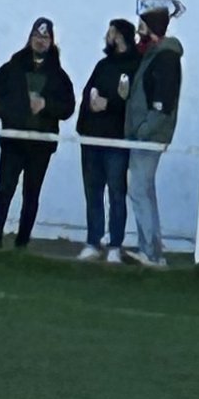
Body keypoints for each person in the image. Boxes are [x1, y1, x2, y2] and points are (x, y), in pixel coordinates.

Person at [0, 18, 72, 247]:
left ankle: (22, 242)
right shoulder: (11, 68)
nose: (40, 41)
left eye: (45, 38)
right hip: (13, 142)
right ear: (30, 38)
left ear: (51, 41)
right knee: (5, 190)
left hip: (40, 145)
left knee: (31, 195)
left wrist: (46, 105)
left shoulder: (59, 76)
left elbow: (68, 107)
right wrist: (15, 111)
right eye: (37, 37)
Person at [123, 2, 184, 267]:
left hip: (149, 136)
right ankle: (152, 249)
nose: (139, 33)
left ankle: (149, 250)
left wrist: (143, 130)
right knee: (144, 190)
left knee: (138, 190)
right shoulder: (156, 55)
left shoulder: (165, 58)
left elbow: (162, 103)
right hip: (146, 134)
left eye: (142, 27)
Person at [75, 19, 137, 262]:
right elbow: (88, 93)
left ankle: (115, 246)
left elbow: (132, 101)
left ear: (120, 36)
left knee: (116, 193)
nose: (106, 37)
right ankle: (93, 241)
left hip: (117, 141)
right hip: (92, 138)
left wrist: (109, 105)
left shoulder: (135, 66)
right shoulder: (102, 65)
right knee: (93, 191)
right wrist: (91, 106)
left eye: (110, 32)